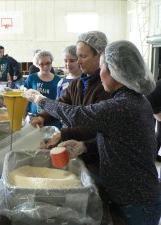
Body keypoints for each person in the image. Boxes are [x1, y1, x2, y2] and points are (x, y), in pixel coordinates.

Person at [23, 40, 161, 225]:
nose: (100, 73)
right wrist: (85, 146)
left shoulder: (121, 105)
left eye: (103, 67)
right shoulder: (133, 100)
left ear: (116, 71)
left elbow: (76, 115)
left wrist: (41, 100)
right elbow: (121, 140)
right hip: (129, 194)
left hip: (135, 200)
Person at [31, 31, 111, 176]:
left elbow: (92, 124)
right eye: (78, 56)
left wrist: (64, 133)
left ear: (99, 56)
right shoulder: (78, 83)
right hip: (81, 151)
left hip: (100, 157)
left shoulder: (106, 87)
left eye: (83, 56)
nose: (79, 61)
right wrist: (43, 117)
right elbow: (61, 104)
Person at [24, 50, 61, 128]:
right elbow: (25, 99)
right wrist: (23, 116)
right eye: (42, 64)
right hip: (34, 119)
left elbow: (60, 102)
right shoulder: (31, 78)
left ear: (51, 62)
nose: (45, 67)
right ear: (37, 64)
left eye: (48, 63)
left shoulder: (58, 80)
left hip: (53, 120)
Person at [147, 78, 161, 162]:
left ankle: (153, 156)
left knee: (159, 135)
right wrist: (156, 113)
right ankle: (151, 158)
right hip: (151, 103)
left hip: (155, 102)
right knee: (154, 135)